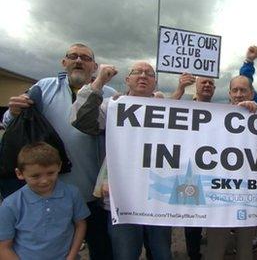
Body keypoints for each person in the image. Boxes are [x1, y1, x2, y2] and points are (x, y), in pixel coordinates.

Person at [2, 43, 116, 259]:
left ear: (95, 66)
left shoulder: (109, 93)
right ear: (64, 62)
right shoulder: (42, 88)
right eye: (73, 56)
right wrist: (11, 112)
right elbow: (12, 124)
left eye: (85, 57)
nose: (79, 61)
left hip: (93, 191)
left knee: (101, 248)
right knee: (54, 249)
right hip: (50, 190)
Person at [70, 61, 173, 260]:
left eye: (149, 73)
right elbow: (81, 121)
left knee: (162, 252)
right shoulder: (112, 106)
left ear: (155, 82)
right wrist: (99, 82)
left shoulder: (168, 109)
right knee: (125, 253)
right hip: (121, 197)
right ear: (127, 80)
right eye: (137, 72)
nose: (143, 76)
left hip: (159, 195)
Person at [0, 142, 90, 259]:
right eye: (36, 176)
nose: (44, 181)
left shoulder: (72, 194)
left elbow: (80, 225)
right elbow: (4, 247)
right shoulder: (10, 205)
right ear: (19, 173)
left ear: (59, 166)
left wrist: (71, 256)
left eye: (50, 173)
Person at [205, 75, 257, 260]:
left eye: (243, 90)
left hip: (247, 196)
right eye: (235, 90)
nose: (238, 94)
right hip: (218, 195)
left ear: (251, 93)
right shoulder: (215, 115)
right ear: (229, 93)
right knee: (215, 248)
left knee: (245, 249)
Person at [171, 74, 216, 260]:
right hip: (191, 173)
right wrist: (180, 89)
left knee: (215, 215)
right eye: (203, 82)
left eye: (211, 83)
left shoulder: (223, 111)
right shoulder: (184, 107)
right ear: (195, 87)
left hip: (214, 173)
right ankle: (194, 253)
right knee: (193, 219)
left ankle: (214, 250)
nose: (207, 85)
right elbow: (166, 111)